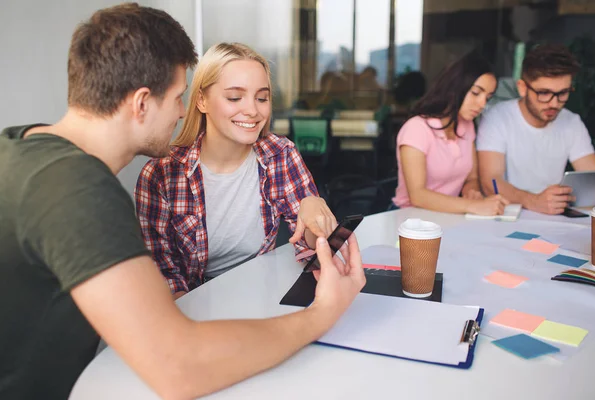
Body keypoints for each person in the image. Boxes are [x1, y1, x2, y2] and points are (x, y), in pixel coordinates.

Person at [0, 5, 365, 400]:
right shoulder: (76, 190)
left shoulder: (18, 147)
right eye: (177, 97)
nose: (181, 110)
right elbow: (178, 367)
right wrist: (322, 314)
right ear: (141, 103)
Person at [135, 43, 338, 298]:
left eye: (262, 98)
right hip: (194, 309)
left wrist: (313, 218)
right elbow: (163, 276)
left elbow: (312, 252)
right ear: (201, 100)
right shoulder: (160, 176)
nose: (253, 110)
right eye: (234, 98)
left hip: (262, 295)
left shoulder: (279, 154)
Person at [477, 44, 595, 215]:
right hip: (508, 217)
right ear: (522, 88)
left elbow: (594, 178)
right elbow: (490, 182)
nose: (554, 103)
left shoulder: (571, 122)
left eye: (563, 93)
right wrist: (533, 201)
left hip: (557, 218)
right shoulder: (497, 118)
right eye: (544, 93)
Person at [391, 51, 509, 215]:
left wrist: (471, 191)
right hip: (409, 218)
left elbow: (471, 178)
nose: (482, 104)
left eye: (487, 97)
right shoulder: (417, 128)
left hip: (448, 216)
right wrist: (472, 206)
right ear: (454, 88)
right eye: (476, 93)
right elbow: (418, 196)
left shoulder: (467, 126)